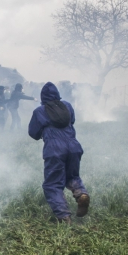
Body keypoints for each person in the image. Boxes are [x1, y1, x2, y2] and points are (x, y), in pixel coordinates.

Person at [29, 82, 89, 224]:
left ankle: (63, 216)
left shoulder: (39, 111)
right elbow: (72, 121)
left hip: (55, 149)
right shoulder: (67, 105)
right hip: (74, 146)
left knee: (53, 184)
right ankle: (81, 194)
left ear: (42, 96)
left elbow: (33, 133)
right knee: (72, 175)